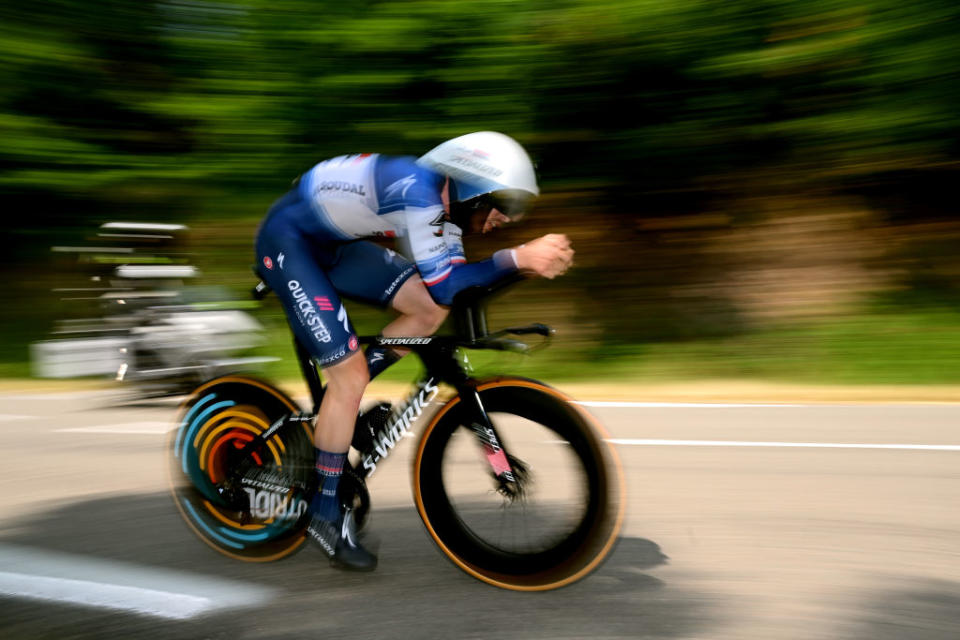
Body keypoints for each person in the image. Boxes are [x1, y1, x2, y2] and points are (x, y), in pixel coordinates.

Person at [254, 131, 574, 571]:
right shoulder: (420, 193)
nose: (507, 217)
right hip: (289, 242)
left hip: (333, 244)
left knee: (426, 311)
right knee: (350, 377)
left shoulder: (443, 207)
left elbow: (449, 291)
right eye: (505, 203)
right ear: (472, 188)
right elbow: (449, 283)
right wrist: (518, 259)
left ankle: (341, 400)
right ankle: (325, 511)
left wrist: (514, 263)